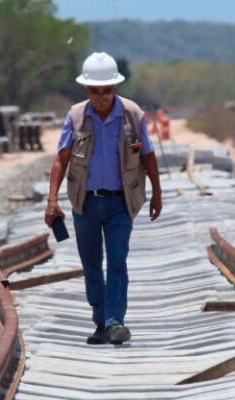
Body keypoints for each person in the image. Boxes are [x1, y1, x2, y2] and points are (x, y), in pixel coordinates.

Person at [45, 52, 163, 345]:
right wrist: (52, 200)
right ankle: (101, 321)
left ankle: (115, 322)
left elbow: (148, 155)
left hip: (120, 203)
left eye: (107, 91)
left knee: (118, 260)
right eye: (95, 92)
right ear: (86, 90)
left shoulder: (133, 115)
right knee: (92, 263)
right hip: (85, 203)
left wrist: (157, 194)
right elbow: (61, 159)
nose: (101, 97)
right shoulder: (75, 116)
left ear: (116, 89)